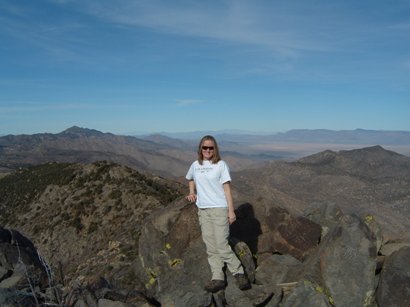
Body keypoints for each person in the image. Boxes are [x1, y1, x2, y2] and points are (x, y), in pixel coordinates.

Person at [185, 135, 251, 293]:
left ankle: (239, 272)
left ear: (215, 149)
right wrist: (192, 192)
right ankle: (218, 277)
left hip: (219, 208)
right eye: (204, 147)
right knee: (210, 246)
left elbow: (227, 188)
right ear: (200, 149)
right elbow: (190, 178)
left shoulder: (221, 165)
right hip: (203, 210)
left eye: (210, 148)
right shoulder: (195, 165)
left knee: (221, 244)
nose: (207, 150)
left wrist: (230, 210)